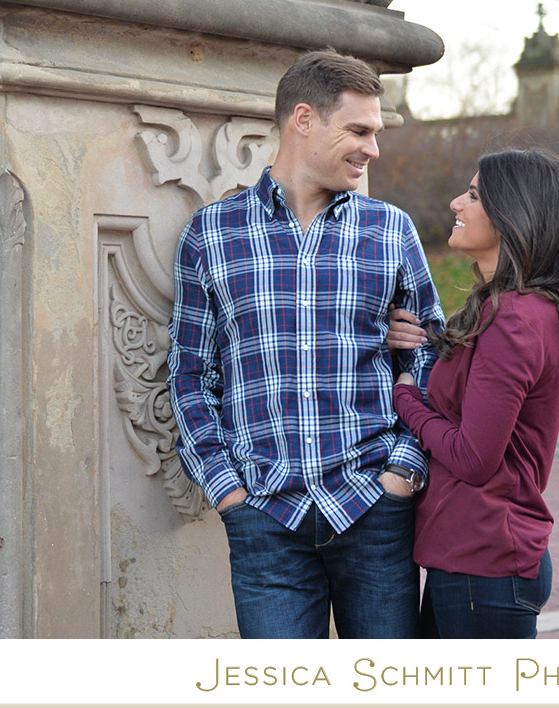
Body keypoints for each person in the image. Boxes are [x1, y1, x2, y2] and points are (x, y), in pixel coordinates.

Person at [167, 49, 445, 639]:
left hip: (373, 506)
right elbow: (191, 374)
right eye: (360, 130)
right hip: (264, 515)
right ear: (303, 120)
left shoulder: (390, 231)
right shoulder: (212, 234)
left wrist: (403, 471)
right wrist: (227, 490)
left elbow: (429, 355)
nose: (374, 148)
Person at [387, 147, 559, 639]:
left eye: (475, 195)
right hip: (471, 562)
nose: (457, 203)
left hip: (485, 568)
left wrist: (406, 401)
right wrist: (422, 341)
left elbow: (474, 457)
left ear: (512, 215)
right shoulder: (509, 310)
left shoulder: (516, 318)